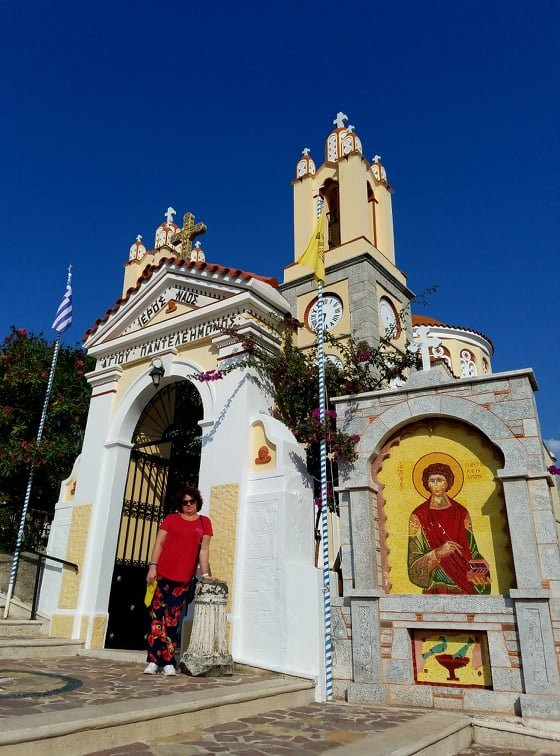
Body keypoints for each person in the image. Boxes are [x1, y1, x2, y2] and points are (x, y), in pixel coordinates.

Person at [144, 486, 213, 675]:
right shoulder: (171, 519)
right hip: (162, 575)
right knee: (156, 619)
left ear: (198, 502)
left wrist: (205, 575)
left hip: (183, 579)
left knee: (172, 620)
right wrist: (152, 566)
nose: (189, 505)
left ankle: (168, 660)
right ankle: (153, 660)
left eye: (192, 501)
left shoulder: (204, 522)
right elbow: (159, 543)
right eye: (185, 502)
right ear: (180, 504)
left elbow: (204, 551)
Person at [407, 463, 490, 595]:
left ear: (448, 482)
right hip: (436, 588)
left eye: (440, 480)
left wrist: (482, 570)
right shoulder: (419, 515)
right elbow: (413, 565)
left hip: (464, 584)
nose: (436, 485)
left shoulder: (461, 513)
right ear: (426, 484)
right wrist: (437, 554)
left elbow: (473, 551)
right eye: (432, 481)